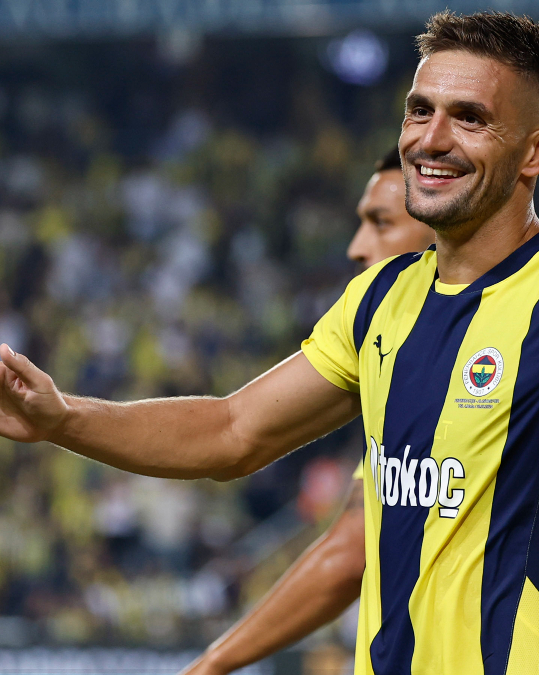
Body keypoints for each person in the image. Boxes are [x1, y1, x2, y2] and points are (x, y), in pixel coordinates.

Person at [0, 12, 539, 675]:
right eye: (420, 110)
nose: (431, 139)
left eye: (470, 118)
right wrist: (63, 419)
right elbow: (233, 430)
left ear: (538, 150)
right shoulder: (383, 297)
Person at [181, 148, 434, 675]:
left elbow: (346, 555)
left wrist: (212, 663)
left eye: (381, 223)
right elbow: (234, 429)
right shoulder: (406, 365)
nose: (357, 247)